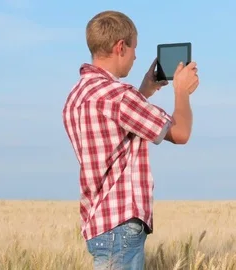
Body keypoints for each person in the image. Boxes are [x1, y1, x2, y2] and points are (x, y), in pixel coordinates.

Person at [62, 10, 199, 270]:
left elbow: (114, 131)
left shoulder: (77, 94)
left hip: (97, 223)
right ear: (120, 47)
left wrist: (144, 91)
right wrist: (182, 92)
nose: (136, 56)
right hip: (121, 224)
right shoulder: (119, 96)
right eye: (134, 48)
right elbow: (180, 133)